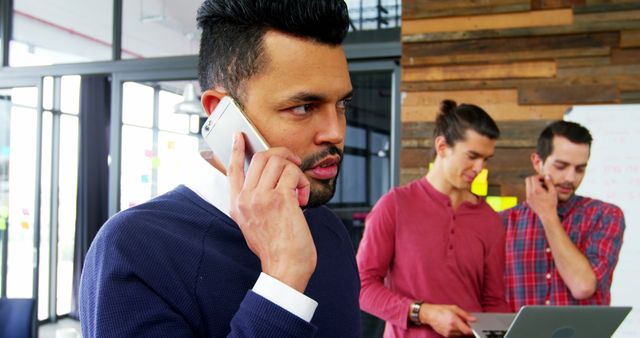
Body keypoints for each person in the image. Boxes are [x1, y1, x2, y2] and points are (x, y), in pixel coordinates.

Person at [79, 0, 361, 336]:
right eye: (303, 107)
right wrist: (283, 280)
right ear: (220, 111)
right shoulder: (133, 248)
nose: (336, 132)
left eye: (341, 104)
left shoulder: (327, 227)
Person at [357, 100, 509, 338]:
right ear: (442, 146)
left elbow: (494, 301)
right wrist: (424, 312)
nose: (480, 167)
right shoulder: (394, 206)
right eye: (472, 156)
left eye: (486, 159)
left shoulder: (490, 220)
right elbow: (362, 287)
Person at [501, 120, 625, 311]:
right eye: (561, 166)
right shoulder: (503, 223)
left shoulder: (605, 216)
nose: (570, 178)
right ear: (537, 162)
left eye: (580, 169)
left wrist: (548, 215)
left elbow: (582, 286)